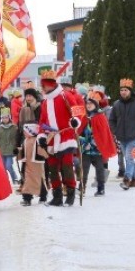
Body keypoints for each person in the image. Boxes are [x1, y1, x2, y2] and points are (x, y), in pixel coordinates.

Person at [37, 70, 85, 206]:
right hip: (52, 139)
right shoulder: (45, 102)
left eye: (44, 85)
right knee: (52, 168)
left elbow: (78, 110)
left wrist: (75, 121)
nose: (42, 88)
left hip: (66, 136)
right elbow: (42, 121)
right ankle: (57, 196)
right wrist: (41, 136)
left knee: (67, 166)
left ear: (50, 84)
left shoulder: (65, 95)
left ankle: (70, 194)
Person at [108, 78, 135, 190]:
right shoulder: (117, 104)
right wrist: (115, 130)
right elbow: (111, 119)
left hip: (134, 136)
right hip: (121, 136)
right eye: (122, 90)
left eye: (126, 90)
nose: (123, 92)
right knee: (128, 158)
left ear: (130, 91)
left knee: (129, 157)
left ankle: (127, 180)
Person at [81, 90, 117, 196]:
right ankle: (82, 188)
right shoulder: (85, 117)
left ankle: (101, 188)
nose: (88, 105)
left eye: (91, 103)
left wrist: (97, 143)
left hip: (98, 148)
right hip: (86, 149)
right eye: (87, 103)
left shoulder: (100, 117)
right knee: (84, 169)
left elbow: (104, 133)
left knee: (99, 169)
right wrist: (82, 141)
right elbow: (80, 132)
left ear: (95, 104)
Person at [17, 88, 44, 205]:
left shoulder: (40, 107)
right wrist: (17, 143)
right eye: (26, 96)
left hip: (38, 142)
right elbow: (19, 127)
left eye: (30, 96)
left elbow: (43, 124)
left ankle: (43, 194)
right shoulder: (23, 110)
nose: (28, 98)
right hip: (26, 143)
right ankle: (27, 197)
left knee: (39, 170)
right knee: (25, 170)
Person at [0, 111, 19, 183]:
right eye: (3, 118)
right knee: (3, 167)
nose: (5, 119)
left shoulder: (14, 127)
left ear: (9, 118)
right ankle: (5, 181)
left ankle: (14, 179)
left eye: (6, 117)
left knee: (9, 166)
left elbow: (17, 138)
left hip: (11, 150)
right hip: (2, 150)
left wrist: (17, 146)